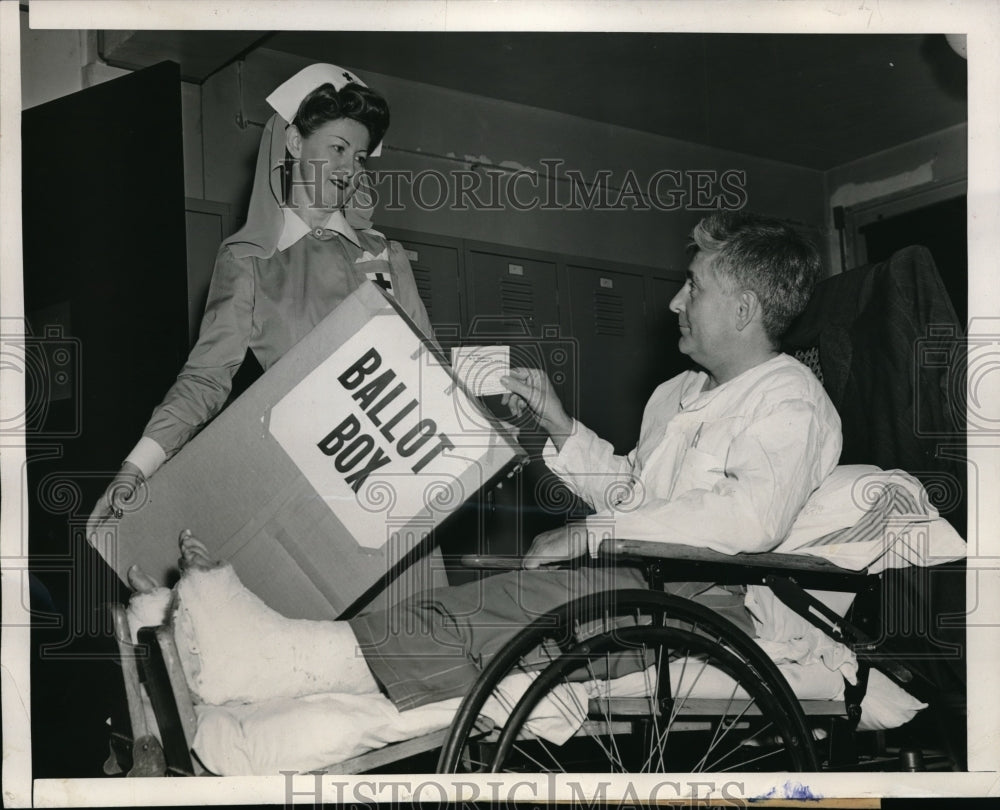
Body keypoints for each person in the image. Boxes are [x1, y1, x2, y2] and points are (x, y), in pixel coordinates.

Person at [130, 211, 843, 715]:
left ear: (746, 309)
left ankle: (286, 658)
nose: (675, 301)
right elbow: (634, 492)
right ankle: (300, 661)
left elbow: (747, 517)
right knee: (503, 592)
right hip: (646, 582)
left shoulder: (791, 400)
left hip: (716, 602)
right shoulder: (677, 394)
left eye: (696, 287)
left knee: (539, 601)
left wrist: (595, 536)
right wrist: (560, 428)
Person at [87, 64, 433, 538]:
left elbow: (432, 373)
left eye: (360, 157)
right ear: (294, 144)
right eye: (337, 149)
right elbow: (206, 380)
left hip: (405, 486)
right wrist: (138, 466)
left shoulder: (385, 258)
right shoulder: (249, 262)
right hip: (309, 489)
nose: (350, 169)